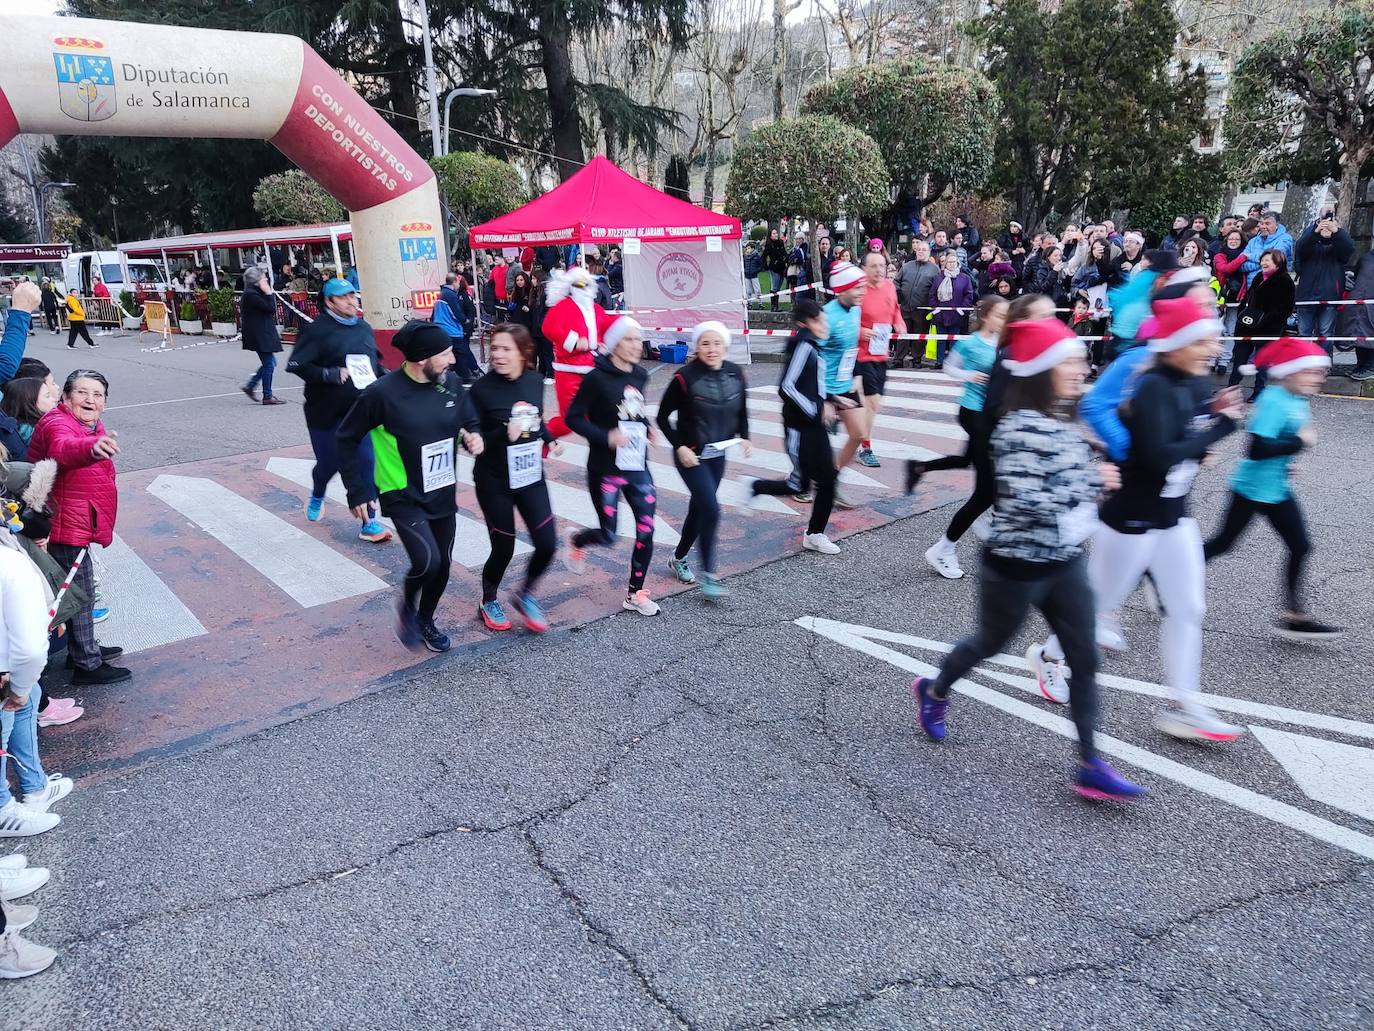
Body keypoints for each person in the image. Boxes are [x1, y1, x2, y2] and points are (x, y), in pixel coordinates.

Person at [909, 318, 1146, 802]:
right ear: (1042, 370)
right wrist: (1093, 482)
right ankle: (934, 691)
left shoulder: (1065, 417)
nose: (1083, 368)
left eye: (1082, 360)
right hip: (1014, 566)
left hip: (1064, 561)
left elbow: (1073, 479)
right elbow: (1027, 501)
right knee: (987, 643)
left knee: (1084, 656)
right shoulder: (1015, 429)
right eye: (1072, 362)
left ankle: (1090, 764)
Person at [1086, 298, 1246, 741]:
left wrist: (1209, 422)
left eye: (1214, 337)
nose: (1211, 347)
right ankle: (1048, 655)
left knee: (1189, 608)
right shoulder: (1154, 384)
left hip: (1174, 517)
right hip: (1131, 517)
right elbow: (1158, 458)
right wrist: (1219, 429)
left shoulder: (1198, 384)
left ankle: (1186, 705)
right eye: (1202, 339)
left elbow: (1188, 437)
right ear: (1175, 342)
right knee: (1097, 605)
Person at [336, 320, 484, 652]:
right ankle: (407, 606)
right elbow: (345, 437)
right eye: (446, 354)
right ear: (422, 358)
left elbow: (468, 417)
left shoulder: (451, 384)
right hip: (402, 493)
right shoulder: (382, 394)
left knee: (443, 564)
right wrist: (356, 490)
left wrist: (473, 435)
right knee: (427, 561)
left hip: (442, 489)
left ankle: (425, 620)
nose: (453, 360)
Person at [1204, 338, 1341, 641]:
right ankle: (1158, 573)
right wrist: (1299, 443)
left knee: (1300, 545)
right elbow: (1256, 448)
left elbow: (1275, 444)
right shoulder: (1274, 400)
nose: (1319, 378)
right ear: (1289, 373)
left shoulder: (1297, 399)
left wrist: (1289, 459)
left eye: (1321, 373)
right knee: (1223, 544)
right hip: (1251, 488)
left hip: (1276, 487)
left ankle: (1294, 617)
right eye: (1311, 372)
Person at [26, 371, 130, 686]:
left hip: (74, 518)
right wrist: (92, 448)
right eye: (83, 393)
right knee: (80, 594)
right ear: (67, 398)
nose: (90, 400)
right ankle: (86, 663)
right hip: (64, 523)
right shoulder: (59, 423)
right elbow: (63, 448)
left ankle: (80, 649)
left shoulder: (85, 423)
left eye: (97, 395)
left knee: (75, 591)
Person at [563, 317, 664, 616]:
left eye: (638, 339)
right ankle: (578, 539)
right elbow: (574, 418)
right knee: (609, 536)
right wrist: (605, 436)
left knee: (646, 529)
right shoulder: (596, 378)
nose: (636, 345)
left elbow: (633, 409)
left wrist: (646, 426)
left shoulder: (641, 375)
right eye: (630, 340)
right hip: (605, 468)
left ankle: (634, 594)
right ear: (615, 343)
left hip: (636, 465)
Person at [905, 296, 1009, 579]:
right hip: (973, 412)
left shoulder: (1003, 342)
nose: (1004, 319)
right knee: (985, 489)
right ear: (986, 316)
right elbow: (948, 366)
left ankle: (920, 467)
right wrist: (969, 375)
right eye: (1000, 315)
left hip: (991, 415)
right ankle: (944, 549)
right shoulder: (971, 342)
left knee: (973, 464)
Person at [466, 325, 560, 633]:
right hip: (494, 480)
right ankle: (488, 600)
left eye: (506, 349)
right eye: (495, 348)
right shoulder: (481, 390)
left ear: (523, 352)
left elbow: (536, 417)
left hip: (530, 475)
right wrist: (500, 434)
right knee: (503, 547)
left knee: (547, 544)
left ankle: (525, 594)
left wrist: (549, 437)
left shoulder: (535, 381)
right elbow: (475, 438)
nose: (497, 355)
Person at [284, 278, 392, 543]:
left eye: (353, 295)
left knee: (366, 462)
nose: (351, 302)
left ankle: (370, 523)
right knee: (329, 463)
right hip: (325, 411)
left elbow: (373, 365)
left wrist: (389, 380)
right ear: (329, 302)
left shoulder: (364, 328)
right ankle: (318, 490)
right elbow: (298, 365)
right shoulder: (316, 330)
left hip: (359, 410)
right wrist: (330, 374)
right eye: (343, 298)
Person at [656, 321, 752, 600]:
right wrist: (680, 446)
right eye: (705, 344)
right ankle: (709, 577)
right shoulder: (684, 377)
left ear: (725, 346)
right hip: (691, 456)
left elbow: (742, 410)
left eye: (716, 343)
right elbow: (663, 417)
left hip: (718, 454)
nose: (711, 349)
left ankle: (679, 557)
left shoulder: (736, 373)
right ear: (697, 347)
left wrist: (745, 436)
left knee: (699, 509)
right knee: (711, 508)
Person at [749, 298, 848, 554]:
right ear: (805, 323)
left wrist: (831, 400)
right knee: (799, 486)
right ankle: (755, 486)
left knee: (827, 480)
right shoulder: (804, 344)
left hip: (813, 425)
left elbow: (811, 384)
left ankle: (815, 533)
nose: (824, 324)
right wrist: (815, 409)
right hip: (800, 428)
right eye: (818, 320)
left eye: (823, 318)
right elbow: (787, 386)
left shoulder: (814, 345)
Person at [844, 251, 905, 470]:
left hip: (880, 353)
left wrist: (899, 323)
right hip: (860, 354)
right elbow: (844, 318)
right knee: (871, 402)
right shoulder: (858, 289)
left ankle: (843, 416)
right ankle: (865, 447)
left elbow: (894, 309)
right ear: (864, 268)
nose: (879, 270)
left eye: (882, 265)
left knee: (873, 404)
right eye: (873, 266)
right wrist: (861, 332)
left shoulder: (889, 286)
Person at [540, 266, 615, 440]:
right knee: (569, 421)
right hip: (569, 370)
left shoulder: (596, 309)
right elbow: (548, 327)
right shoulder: (563, 306)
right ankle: (542, 439)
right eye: (579, 285)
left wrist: (625, 331)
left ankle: (602, 459)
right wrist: (572, 341)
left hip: (593, 369)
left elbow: (608, 325)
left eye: (586, 284)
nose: (584, 289)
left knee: (596, 415)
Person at [817, 262, 867, 508]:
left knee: (859, 434)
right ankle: (804, 480)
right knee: (816, 446)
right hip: (823, 389)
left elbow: (851, 348)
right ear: (843, 289)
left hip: (846, 384)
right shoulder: (826, 316)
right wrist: (825, 399)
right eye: (857, 288)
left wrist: (857, 376)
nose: (862, 292)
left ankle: (831, 480)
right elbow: (813, 358)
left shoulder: (856, 310)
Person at [1231, 249, 1296, 401]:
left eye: (1268, 260)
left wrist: (1266, 320)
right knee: (1239, 358)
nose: (1263, 263)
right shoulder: (1259, 277)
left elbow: (1286, 308)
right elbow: (1249, 297)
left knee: (1263, 361)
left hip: (1268, 329)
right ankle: (1231, 388)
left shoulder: (1285, 281)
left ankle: (1259, 391)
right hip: (1247, 325)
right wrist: (1243, 312)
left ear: (1278, 263)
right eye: (1263, 260)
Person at [1293, 212, 1354, 343]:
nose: (1326, 227)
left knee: (1325, 334)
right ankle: (1305, 363)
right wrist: (1315, 231)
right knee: (1304, 334)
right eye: (1323, 224)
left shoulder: (1339, 245)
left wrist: (1337, 232)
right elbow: (1300, 247)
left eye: (1330, 225)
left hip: (1330, 295)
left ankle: (1324, 362)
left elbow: (1349, 248)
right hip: (1306, 295)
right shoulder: (1309, 242)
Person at [238, 268, 285, 406]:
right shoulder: (251, 294)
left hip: (261, 332)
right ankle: (267, 395)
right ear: (256, 280)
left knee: (271, 363)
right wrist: (269, 292)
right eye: (263, 278)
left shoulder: (253, 293)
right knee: (269, 364)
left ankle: (251, 386)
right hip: (259, 334)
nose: (266, 280)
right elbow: (270, 308)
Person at [927, 250, 976, 364]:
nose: (951, 264)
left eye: (954, 262)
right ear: (945, 264)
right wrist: (936, 309)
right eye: (949, 262)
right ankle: (939, 361)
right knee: (941, 340)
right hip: (941, 314)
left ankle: (952, 362)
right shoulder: (938, 278)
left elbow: (969, 295)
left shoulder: (964, 278)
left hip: (957, 315)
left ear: (957, 263)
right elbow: (932, 294)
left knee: (955, 339)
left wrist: (962, 309)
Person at [895, 240, 938, 368]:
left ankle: (916, 359)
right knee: (903, 334)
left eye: (924, 250)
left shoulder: (934, 269)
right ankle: (898, 359)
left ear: (929, 252)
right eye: (919, 249)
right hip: (905, 306)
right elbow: (896, 281)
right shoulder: (907, 266)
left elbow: (936, 288)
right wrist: (898, 293)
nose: (920, 252)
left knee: (920, 335)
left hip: (922, 309)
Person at [431, 279, 480, 385]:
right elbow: (456, 313)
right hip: (454, 331)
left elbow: (470, 310)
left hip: (451, 331)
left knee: (458, 353)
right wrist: (465, 321)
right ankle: (467, 375)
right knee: (461, 353)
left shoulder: (445, 295)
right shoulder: (450, 295)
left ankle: (470, 372)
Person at [0, 378, 58, 448]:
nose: (54, 400)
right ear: (29, 402)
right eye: (47, 396)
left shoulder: (12, 430)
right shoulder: (34, 434)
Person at [1240, 211, 1294, 285]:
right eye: (1262, 223)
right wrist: (1264, 263)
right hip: (1251, 288)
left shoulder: (1285, 239)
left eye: (1267, 223)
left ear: (1277, 225)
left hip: (1273, 286)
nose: (1263, 227)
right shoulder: (1253, 241)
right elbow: (1240, 264)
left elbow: (1274, 260)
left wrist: (1249, 256)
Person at [1346, 243, 1374, 381]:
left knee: (1370, 335)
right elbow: (1357, 276)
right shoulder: (1365, 258)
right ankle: (1361, 365)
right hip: (1360, 303)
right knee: (1358, 334)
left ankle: (1370, 367)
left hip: (1371, 304)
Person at [763, 228, 788, 311]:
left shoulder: (780, 242)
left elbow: (784, 252)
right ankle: (773, 306)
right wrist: (766, 267)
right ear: (770, 235)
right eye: (773, 233)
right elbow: (763, 256)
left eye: (776, 233)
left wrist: (786, 259)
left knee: (778, 288)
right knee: (775, 287)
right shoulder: (769, 244)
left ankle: (776, 305)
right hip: (774, 268)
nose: (775, 235)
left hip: (782, 267)